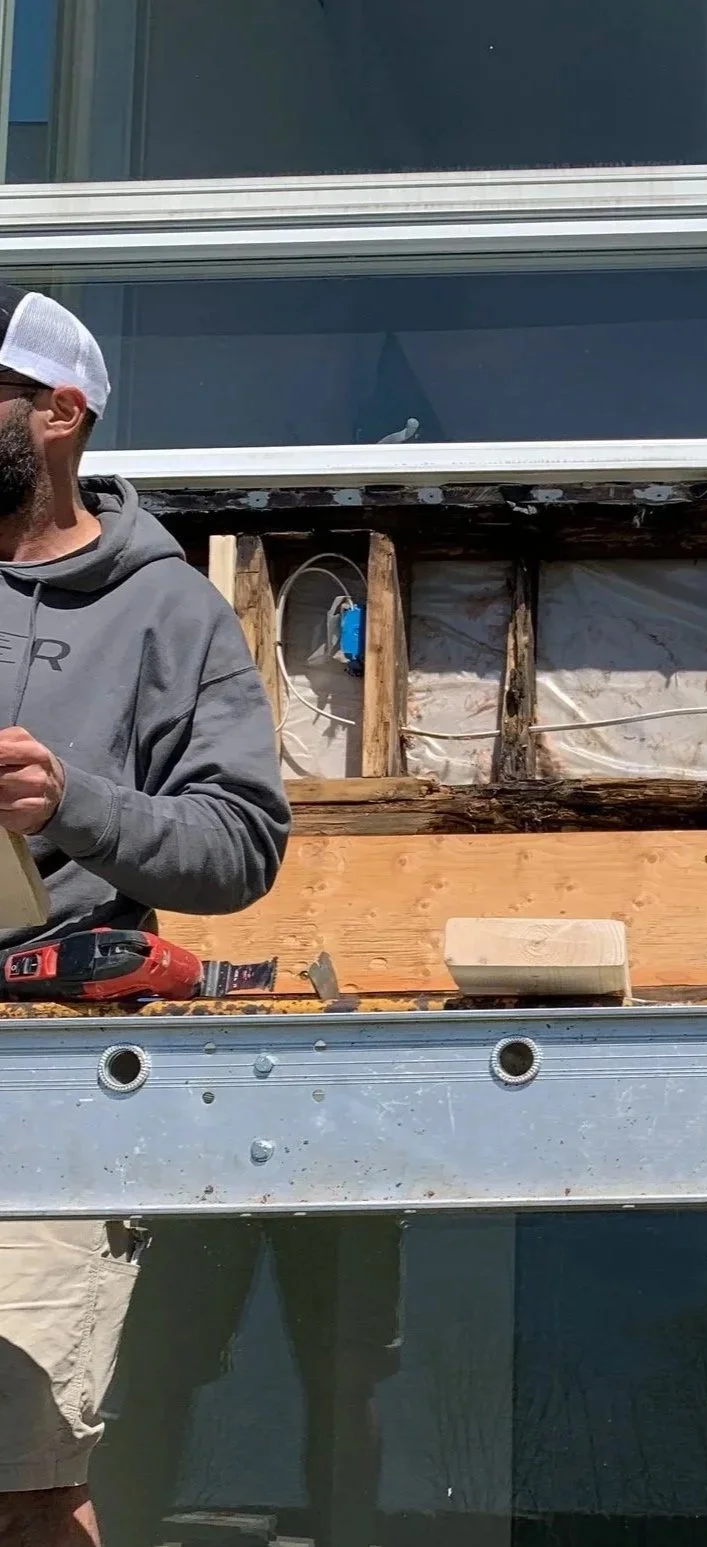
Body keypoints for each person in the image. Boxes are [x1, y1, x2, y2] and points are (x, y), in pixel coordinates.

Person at [0, 286, 290, 1546]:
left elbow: (241, 842)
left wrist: (71, 802)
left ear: (59, 414)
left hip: (35, 1083)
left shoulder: (168, 609)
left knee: (20, 1476)